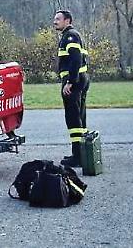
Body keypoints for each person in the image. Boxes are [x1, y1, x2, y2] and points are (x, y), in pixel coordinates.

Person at [53, 9, 90, 168]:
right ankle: (80, 153)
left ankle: (78, 157)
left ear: (67, 20)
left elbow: (75, 59)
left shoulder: (70, 36)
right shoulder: (72, 35)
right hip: (80, 79)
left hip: (73, 81)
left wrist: (70, 81)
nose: (55, 22)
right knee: (79, 116)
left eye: (58, 19)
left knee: (73, 117)